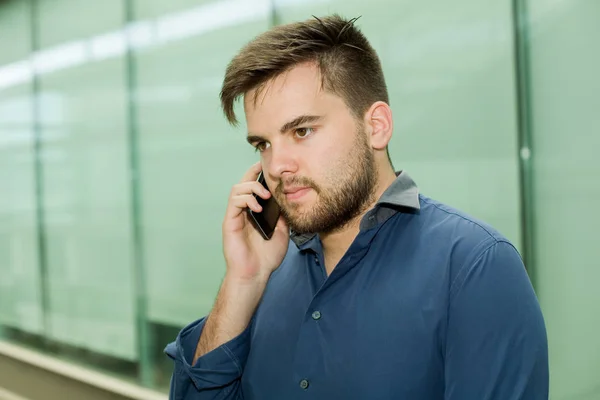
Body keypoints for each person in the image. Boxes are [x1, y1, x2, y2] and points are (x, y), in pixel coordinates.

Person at [164, 14, 549, 400]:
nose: (277, 165)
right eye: (263, 144)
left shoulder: (473, 267)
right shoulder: (265, 272)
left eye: (302, 131)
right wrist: (243, 281)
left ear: (376, 126)